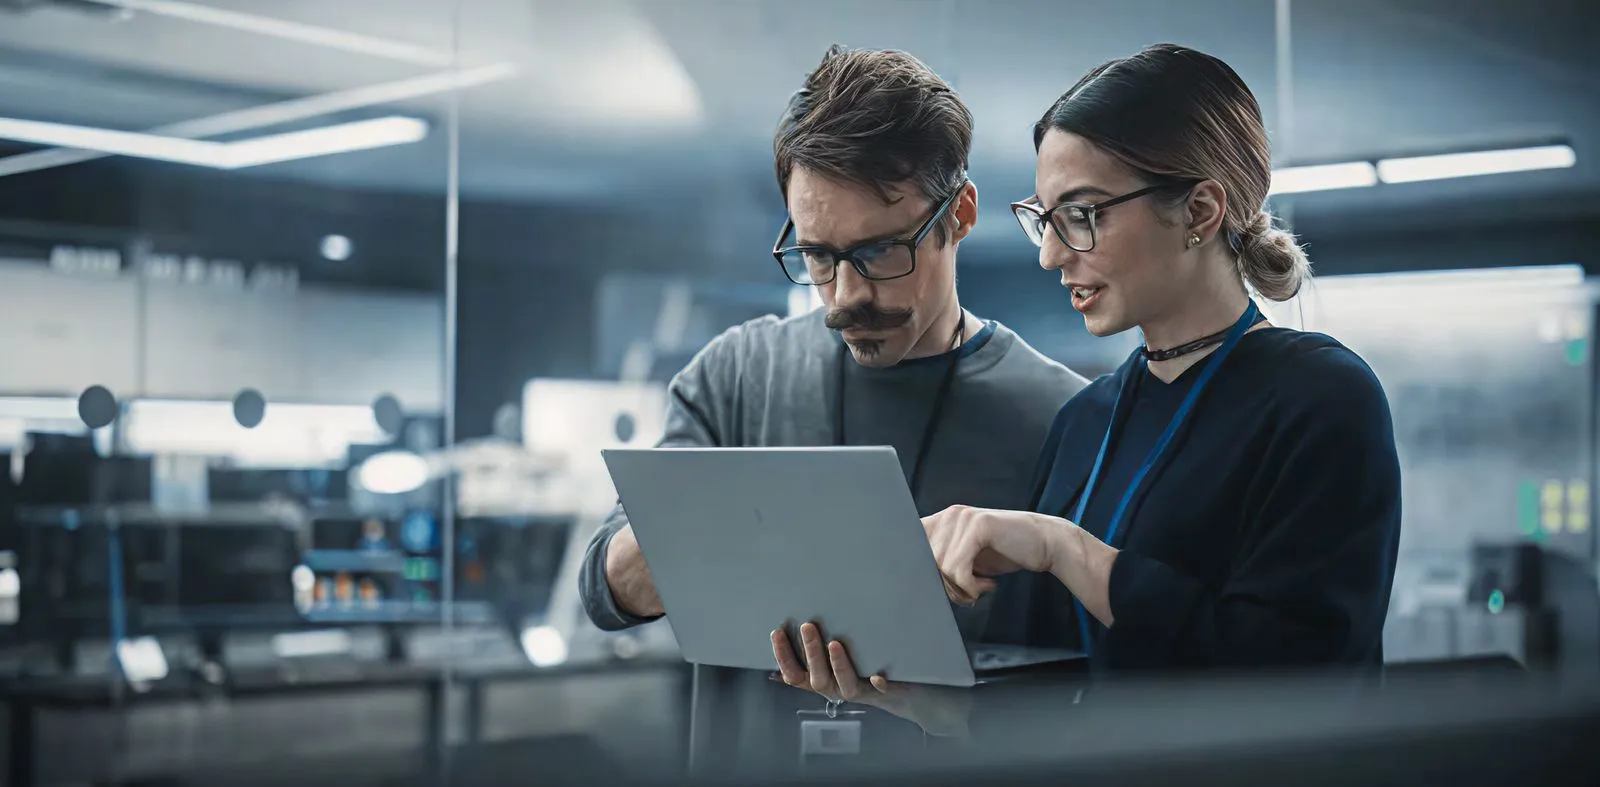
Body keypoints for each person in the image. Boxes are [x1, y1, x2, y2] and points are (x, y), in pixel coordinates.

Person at [578, 45, 1087, 751]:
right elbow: (606, 592)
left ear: (960, 214)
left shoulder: (1067, 419)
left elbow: (1084, 706)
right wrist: (721, 525)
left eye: (880, 253)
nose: (846, 297)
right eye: (819, 256)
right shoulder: (737, 375)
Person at [923, 43, 1402, 674]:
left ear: (1199, 211)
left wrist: (1064, 548)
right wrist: (923, 697)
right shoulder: (1084, 422)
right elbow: (1034, 680)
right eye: (1046, 219)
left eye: (1082, 215)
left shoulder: (1320, 397)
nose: (1051, 255)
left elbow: (1291, 674)